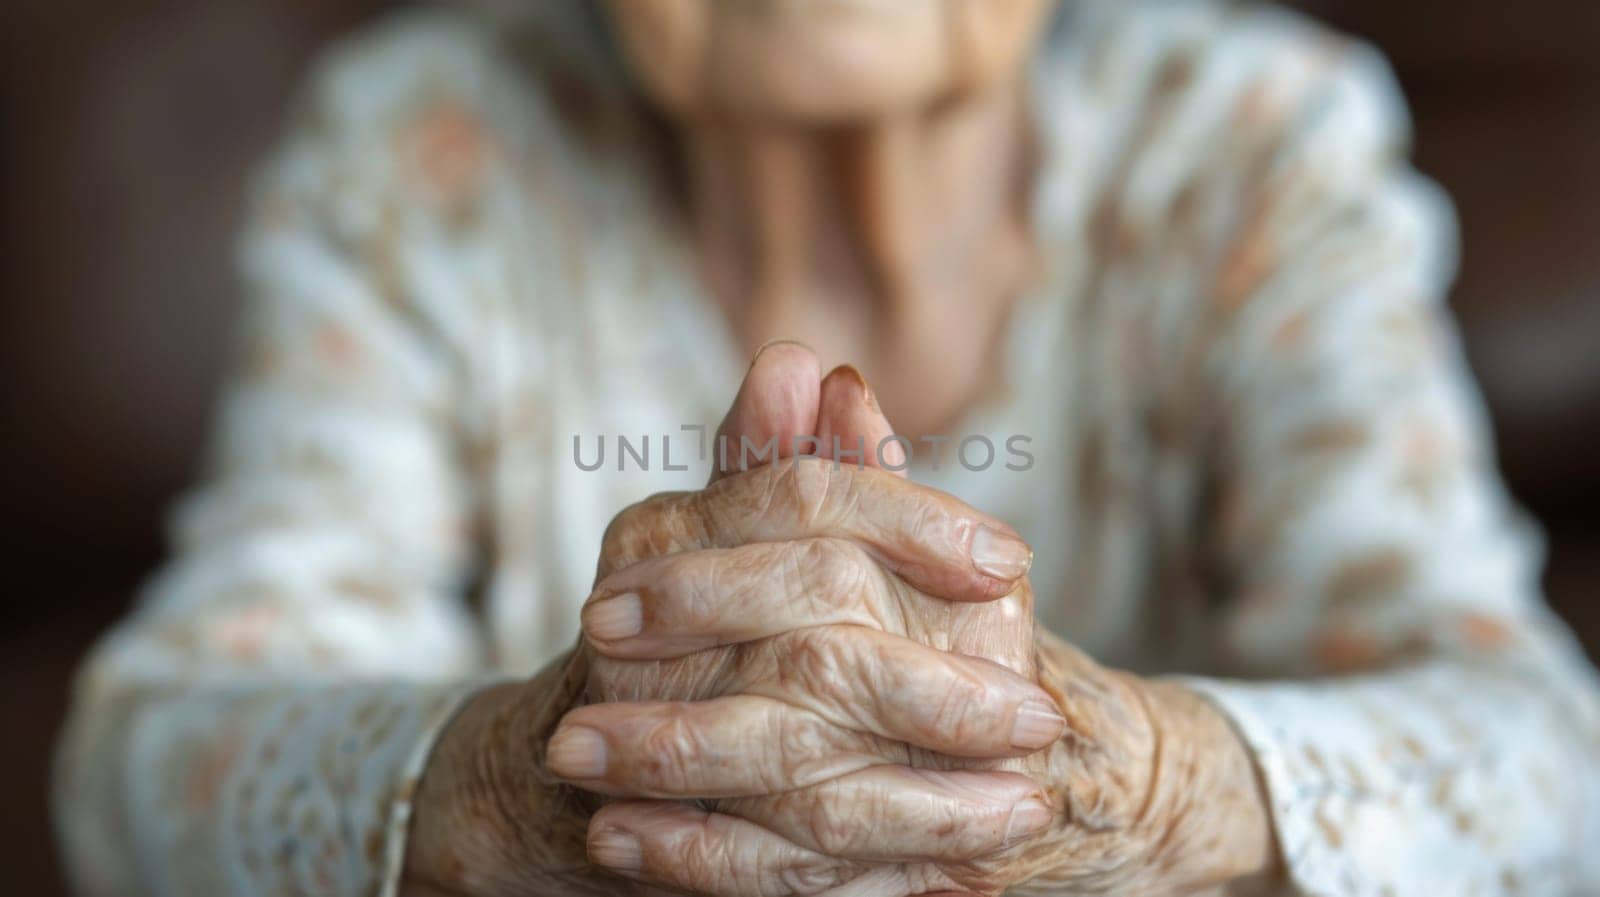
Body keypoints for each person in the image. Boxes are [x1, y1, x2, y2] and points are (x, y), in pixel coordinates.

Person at [55, 1, 1600, 895]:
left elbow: (1551, 755)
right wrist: (537, 783)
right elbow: (133, 767)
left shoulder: (1253, 136)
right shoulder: (423, 146)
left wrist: (1123, 787)